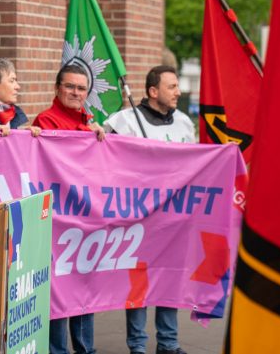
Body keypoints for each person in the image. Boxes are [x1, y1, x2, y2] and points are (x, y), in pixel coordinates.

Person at [104, 65, 194, 354]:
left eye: (178, 86)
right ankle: (138, 345)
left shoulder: (184, 122)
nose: (178, 92)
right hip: (139, 216)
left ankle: (168, 343)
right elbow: (104, 158)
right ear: (153, 91)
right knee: (139, 283)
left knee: (170, 277)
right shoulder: (124, 121)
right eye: (172, 87)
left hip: (175, 217)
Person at [33, 65, 104, 354]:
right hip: (57, 223)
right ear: (57, 88)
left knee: (84, 290)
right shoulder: (44, 121)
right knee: (59, 293)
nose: (76, 93)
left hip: (84, 222)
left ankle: (86, 349)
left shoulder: (90, 125)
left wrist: (98, 138)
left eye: (81, 88)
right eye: (70, 87)